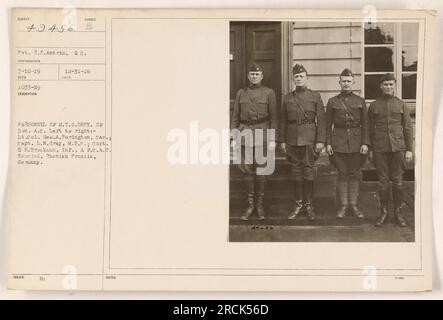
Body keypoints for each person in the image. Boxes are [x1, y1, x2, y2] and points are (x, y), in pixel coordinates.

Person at [231, 62, 278, 220]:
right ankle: (250, 205)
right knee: (247, 170)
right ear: (248, 76)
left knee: (262, 170)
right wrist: (234, 136)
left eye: (257, 74)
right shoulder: (240, 93)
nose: (254, 76)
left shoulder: (269, 93)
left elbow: (274, 118)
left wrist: (272, 138)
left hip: (262, 134)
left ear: (262, 76)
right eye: (252, 74)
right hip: (244, 135)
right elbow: (235, 117)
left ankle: (259, 204)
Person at [280, 64, 326, 221]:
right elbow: (283, 121)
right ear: (293, 79)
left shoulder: (315, 96)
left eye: (301, 77)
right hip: (292, 139)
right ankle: (298, 205)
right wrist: (283, 141)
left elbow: (321, 120)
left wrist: (320, 141)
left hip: (309, 139)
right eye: (296, 77)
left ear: (307, 78)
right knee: (296, 172)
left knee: (308, 172)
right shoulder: (288, 98)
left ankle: (309, 205)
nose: (299, 79)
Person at [368, 73, 413, 227]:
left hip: (398, 148)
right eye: (385, 84)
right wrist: (371, 149)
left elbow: (408, 128)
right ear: (381, 86)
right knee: (382, 183)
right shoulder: (374, 106)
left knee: (398, 182)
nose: (388, 87)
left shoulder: (401, 104)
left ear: (395, 86)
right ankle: (384, 212)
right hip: (380, 148)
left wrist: (409, 149)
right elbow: (369, 129)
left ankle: (398, 213)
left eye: (391, 84)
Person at [325, 68, 369, 219]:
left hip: (357, 143)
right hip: (338, 143)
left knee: (354, 173)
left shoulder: (360, 101)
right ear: (339, 83)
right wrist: (328, 143)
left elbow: (366, 124)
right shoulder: (332, 102)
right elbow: (327, 124)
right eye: (343, 81)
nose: (346, 84)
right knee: (342, 174)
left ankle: (354, 205)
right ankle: (344, 205)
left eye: (349, 81)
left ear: (353, 83)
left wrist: (365, 143)